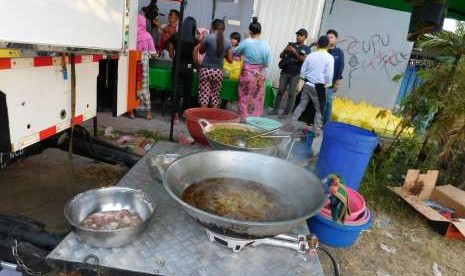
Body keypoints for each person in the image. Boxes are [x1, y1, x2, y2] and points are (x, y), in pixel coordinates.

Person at [292, 36, 334, 133]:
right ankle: (317, 129)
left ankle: (293, 122)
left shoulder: (311, 55)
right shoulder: (329, 58)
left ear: (318, 44)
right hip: (319, 87)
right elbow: (329, 73)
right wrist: (328, 85)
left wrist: (303, 78)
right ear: (328, 45)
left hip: (307, 84)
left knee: (302, 104)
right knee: (319, 109)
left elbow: (303, 69)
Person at [234, 17, 271, 122]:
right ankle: (254, 121)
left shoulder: (247, 42)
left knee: (244, 97)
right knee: (257, 99)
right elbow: (267, 63)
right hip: (259, 76)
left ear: (250, 31)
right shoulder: (266, 45)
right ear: (260, 31)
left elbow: (235, 52)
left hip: (247, 74)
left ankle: (243, 120)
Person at [270, 28, 311, 116]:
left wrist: (295, 52)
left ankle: (286, 113)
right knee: (280, 91)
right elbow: (281, 56)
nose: (298, 37)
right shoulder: (290, 44)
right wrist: (285, 50)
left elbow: (304, 59)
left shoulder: (306, 48)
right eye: (297, 35)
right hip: (285, 71)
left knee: (291, 94)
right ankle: (275, 110)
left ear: (305, 37)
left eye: (300, 35)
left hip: (295, 74)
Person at [197, 19, 233, 108]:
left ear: (212, 27)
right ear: (224, 29)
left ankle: (203, 118)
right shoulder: (228, 42)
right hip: (218, 72)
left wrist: (202, 39)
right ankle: (214, 118)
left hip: (206, 70)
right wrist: (223, 53)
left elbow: (201, 51)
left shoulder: (208, 37)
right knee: (215, 96)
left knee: (204, 95)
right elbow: (230, 60)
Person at [170, 17, 199, 124]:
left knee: (176, 91)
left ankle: (175, 116)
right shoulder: (194, 41)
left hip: (177, 66)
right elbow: (195, 58)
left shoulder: (175, 37)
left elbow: (170, 53)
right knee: (187, 92)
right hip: (189, 67)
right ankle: (186, 115)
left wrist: (176, 60)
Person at [132, 13, 156, 120]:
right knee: (144, 87)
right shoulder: (148, 36)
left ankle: (131, 111)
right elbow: (153, 53)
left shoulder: (131, 36)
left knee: (132, 87)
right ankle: (148, 113)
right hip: (144, 63)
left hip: (132, 62)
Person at [325, 29, 345, 123]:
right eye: (328, 37)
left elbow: (340, 67)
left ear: (336, 39)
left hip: (331, 83)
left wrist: (337, 82)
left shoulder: (339, 52)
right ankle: (316, 121)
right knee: (319, 102)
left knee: (328, 102)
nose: (329, 39)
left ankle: (327, 123)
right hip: (321, 81)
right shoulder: (323, 51)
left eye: (331, 37)